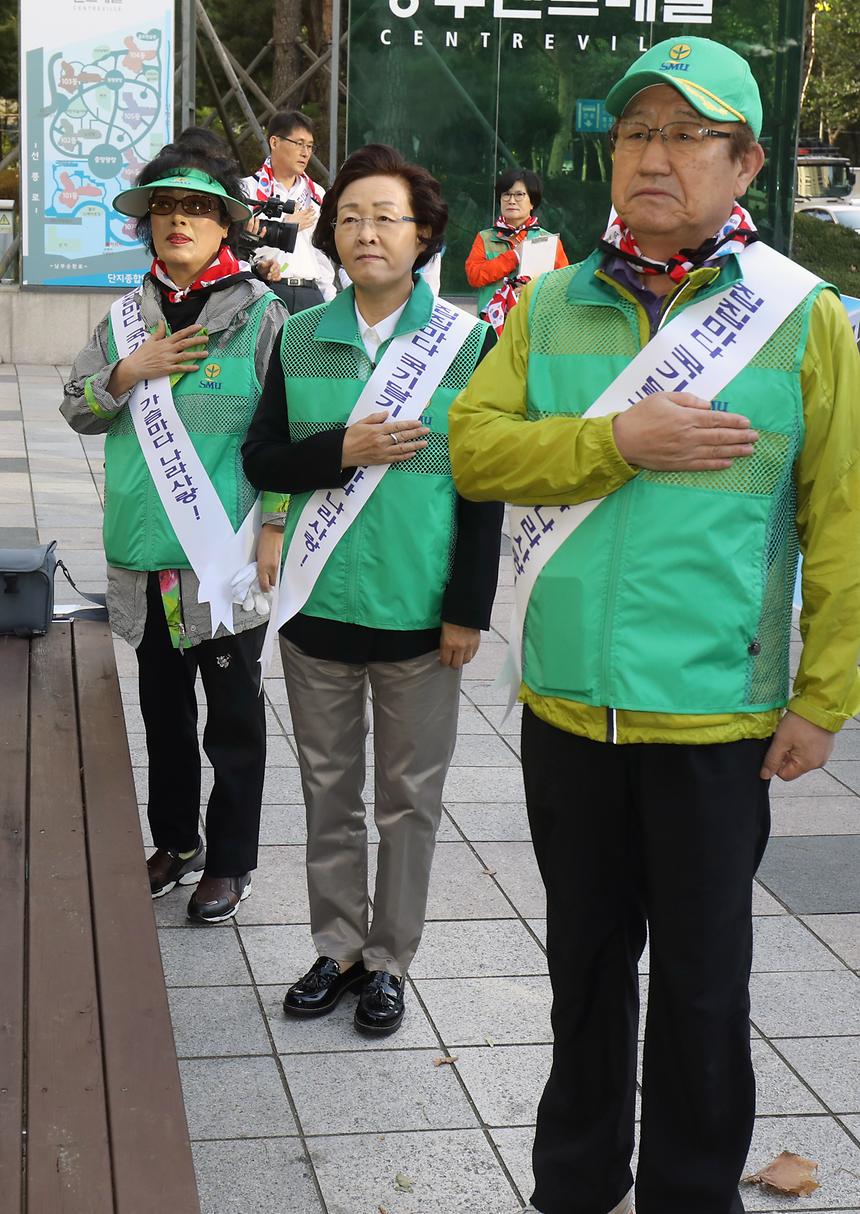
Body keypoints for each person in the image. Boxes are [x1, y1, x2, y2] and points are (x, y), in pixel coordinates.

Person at [450, 36, 860, 1214]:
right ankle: (572, 1187)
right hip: (567, 707)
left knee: (698, 988)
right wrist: (611, 443)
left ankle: (690, 1194)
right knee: (579, 975)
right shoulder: (546, 301)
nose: (654, 156)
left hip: (714, 719)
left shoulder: (802, 318)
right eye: (637, 132)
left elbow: (839, 519)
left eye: (688, 135)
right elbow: (473, 454)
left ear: (743, 162)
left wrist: (821, 694)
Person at [242, 143, 503, 1036]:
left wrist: (469, 608)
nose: (364, 233)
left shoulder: (470, 344)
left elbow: (484, 485)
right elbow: (263, 456)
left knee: (409, 800)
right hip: (316, 609)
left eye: (385, 216)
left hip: (421, 615)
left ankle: (390, 960)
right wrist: (339, 452)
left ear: (424, 232)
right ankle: (339, 946)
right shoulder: (303, 333)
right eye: (348, 216)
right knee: (327, 789)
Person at [61, 138, 288, 924]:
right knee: (162, 711)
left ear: (227, 223)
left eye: (196, 207)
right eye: (164, 207)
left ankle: (230, 861)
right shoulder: (126, 319)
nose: (178, 221)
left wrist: (278, 527)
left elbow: (284, 434)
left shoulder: (262, 315)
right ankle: (177, 842)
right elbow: (77, 407)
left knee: (232, 719)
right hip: (143, 555)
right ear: (148, 224)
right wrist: (127, 372)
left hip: (220, 563)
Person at [241, 109, 336, 313]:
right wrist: (286, 227)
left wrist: (329, 297)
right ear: (274, 142)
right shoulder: (248, 189)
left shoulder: (315, 193)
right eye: (299, 143)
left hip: (310, 293)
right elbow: (239, 249)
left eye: (310, 146)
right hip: (266, 289)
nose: (305, 152)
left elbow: (320, 253)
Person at [465, 167, 568, 334]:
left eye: (519, 195)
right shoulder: (485, 237)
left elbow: (561, 287)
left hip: (533, 329)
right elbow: (474, 275)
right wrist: (514, 256)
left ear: (532, 201)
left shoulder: (548, 241)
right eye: (506, 194)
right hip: (491, 329)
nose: (511, 200)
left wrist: (532, 289)